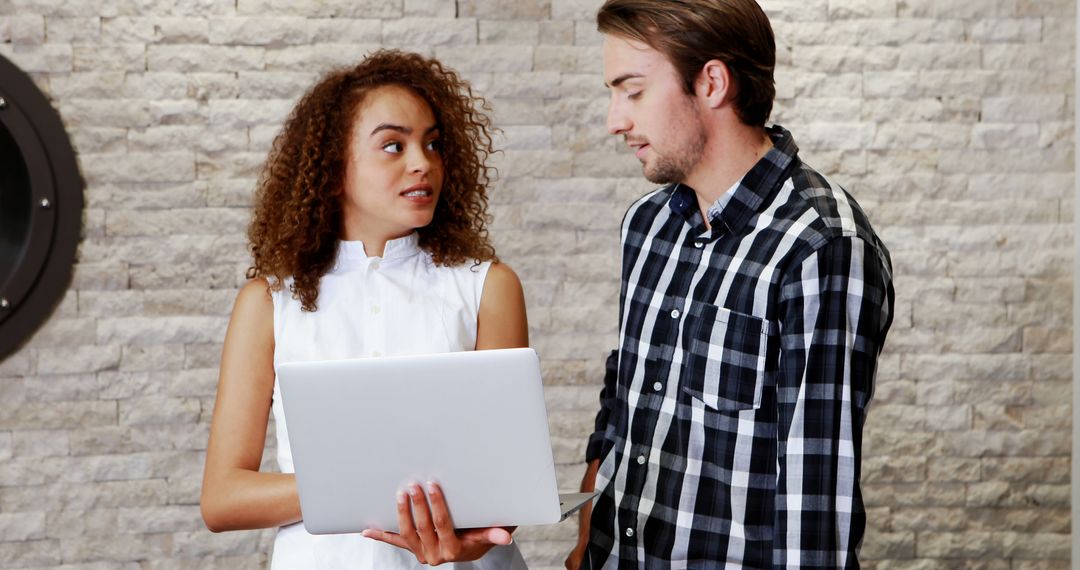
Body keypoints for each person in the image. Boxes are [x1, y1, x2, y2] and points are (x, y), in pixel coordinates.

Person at [567, 1, 895, 568]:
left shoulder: (821, 246)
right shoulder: (646, 225)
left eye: (633, 91)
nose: (614, 119)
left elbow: (815, 507)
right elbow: (622, 395)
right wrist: (586, 545)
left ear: (712, 82)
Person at [200, 50, 528, 569]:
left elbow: (506, 491)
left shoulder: (488, 287)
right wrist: (375, 481)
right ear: (333, 169)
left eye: (433, 143)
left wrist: (477, 536)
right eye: (393, 146)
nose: (422, 162)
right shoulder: (268, 304)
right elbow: (222, 498)